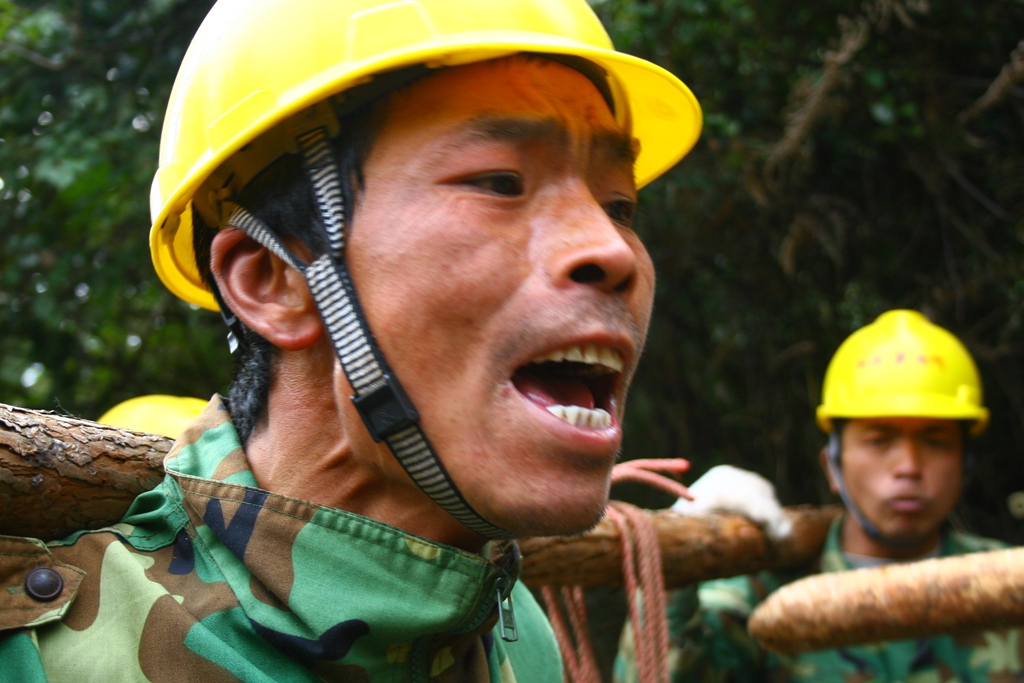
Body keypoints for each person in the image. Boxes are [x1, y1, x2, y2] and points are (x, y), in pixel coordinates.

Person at [0, 0, 703, 679]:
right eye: (499, 181)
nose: (612, 248)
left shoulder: (519, 636)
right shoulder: (45, 660)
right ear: (273, 279)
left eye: (619, 204)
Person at [616, 309, 1024, 682]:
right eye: (880, 440)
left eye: (935, 441)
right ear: (833, 466)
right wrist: (671, 578)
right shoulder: (757, 599)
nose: (909, 466)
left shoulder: (1011, 587)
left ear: (964, 463)